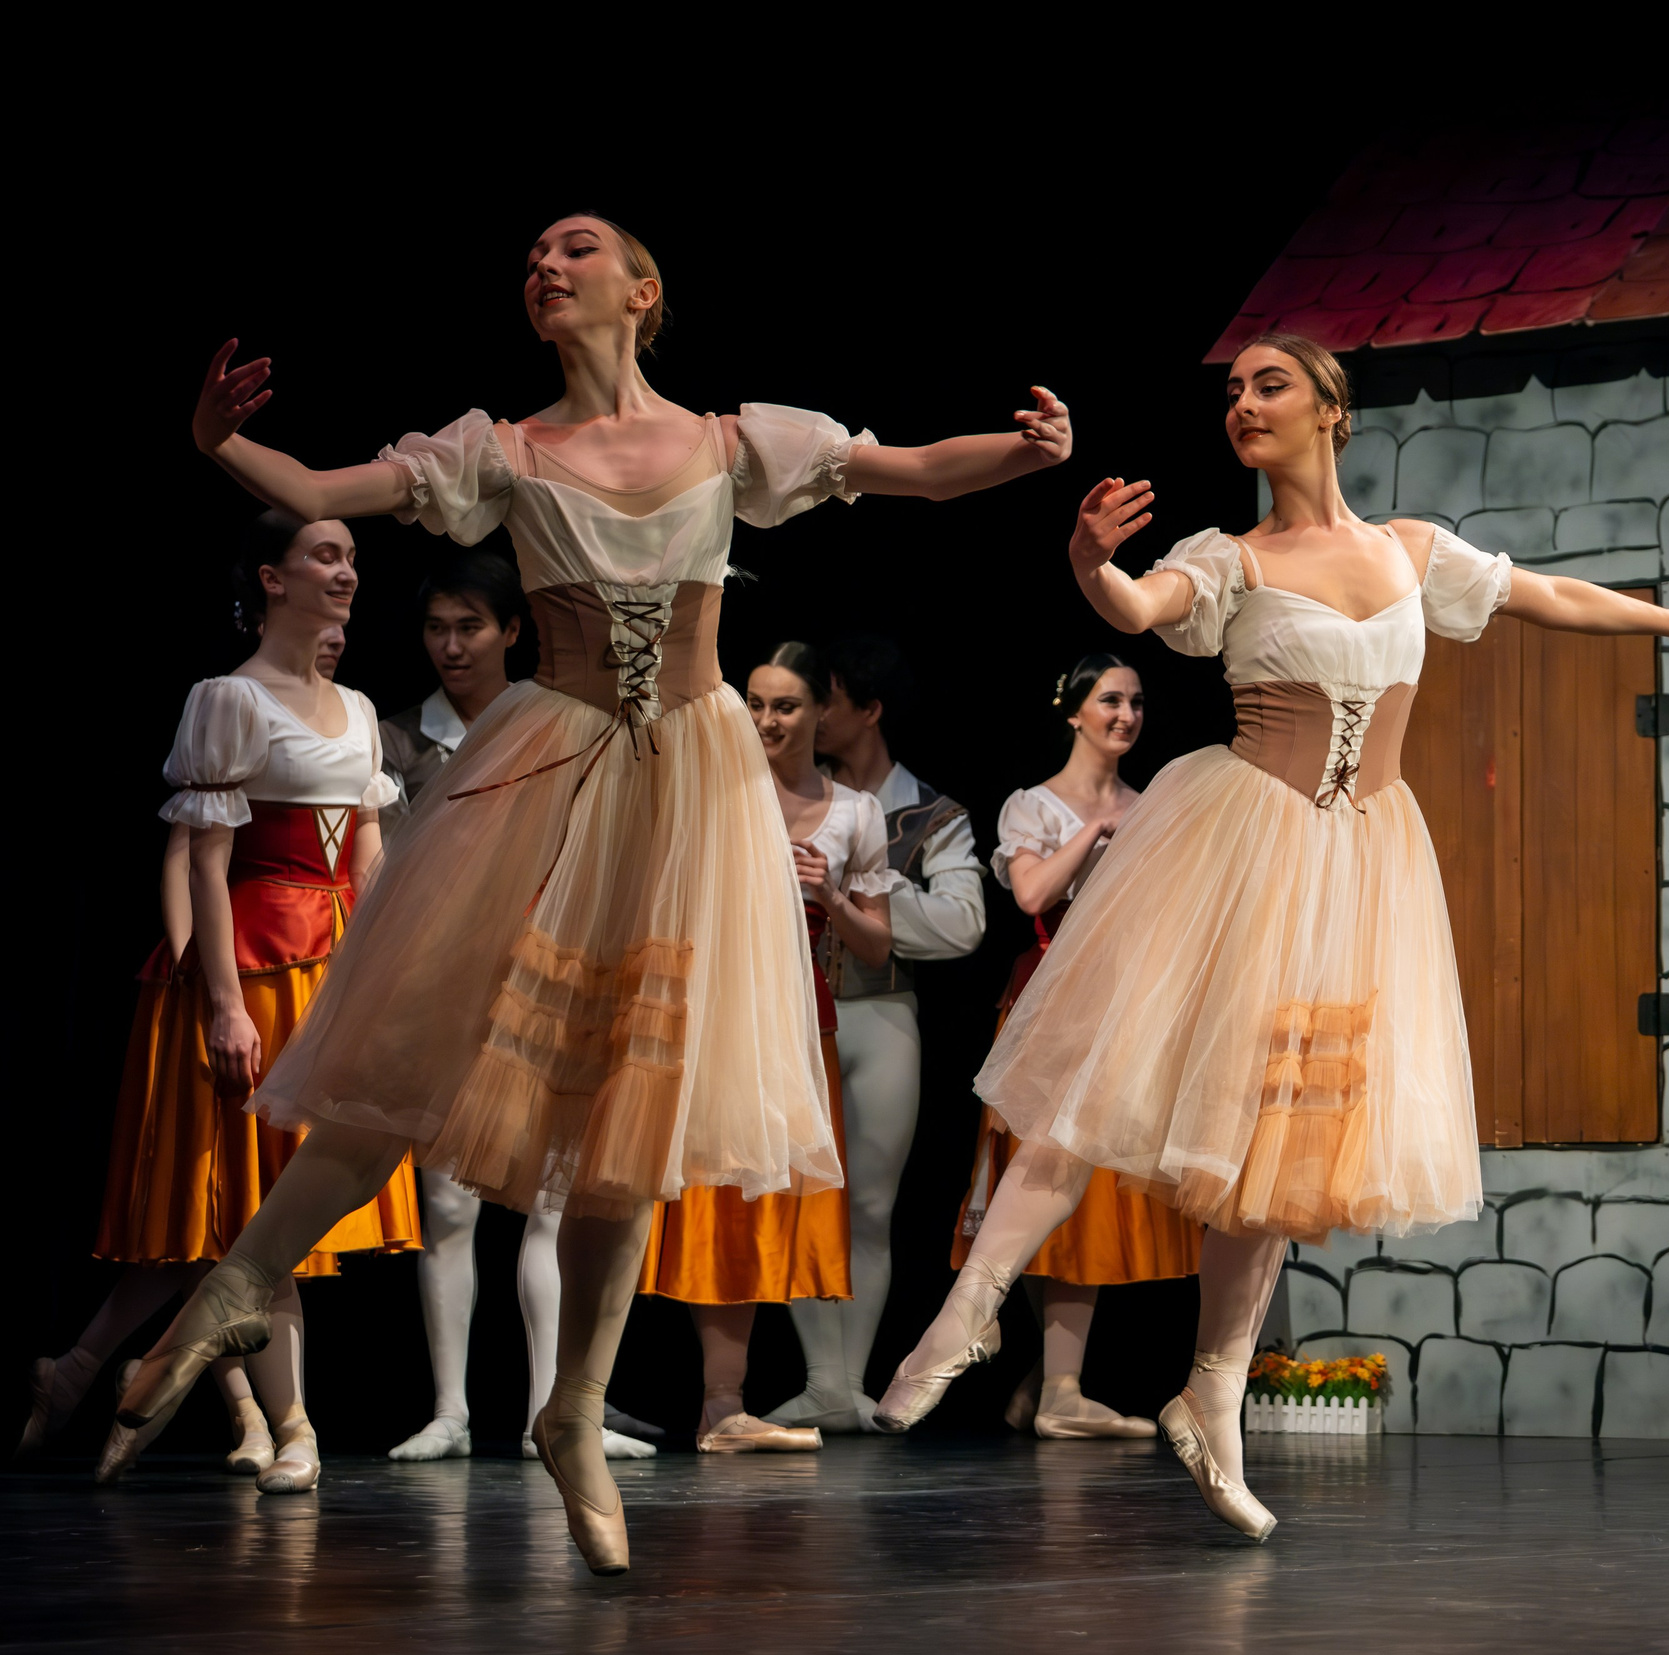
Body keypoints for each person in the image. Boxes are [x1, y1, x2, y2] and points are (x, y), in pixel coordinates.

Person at [120, 212, 1071, 1575]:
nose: (544, 265)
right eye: (531, 259)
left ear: (642, 287)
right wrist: (218, 443)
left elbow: (910, 470)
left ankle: (572, 1407)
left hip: (686, 789)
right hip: (553, 769)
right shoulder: (506, 451)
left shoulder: (733, 442)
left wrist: (1028, 453)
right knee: (423, 1048)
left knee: (639, 1106)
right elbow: (336, 483)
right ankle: (239, 1282)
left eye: (574, 249)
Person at [879, 332, 1669, 1538]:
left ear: (1331, 410)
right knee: (1099, 1077)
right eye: (1233, 392)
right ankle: (969, 1310)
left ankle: (1212, 1394)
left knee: (1287, 1144)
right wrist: (1091, 560)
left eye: (1269, 385)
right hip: (1243, 841)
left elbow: (1547, 595)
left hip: (1362, 864)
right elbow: (1143, 606)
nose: (1243, 404)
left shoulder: (1411, 551)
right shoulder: (1233, 557)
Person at [25, 512, 417, 1494]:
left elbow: (366, 852)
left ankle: (74, 1371)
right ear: (271, 576)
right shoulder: (230, 697)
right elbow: (203, 855)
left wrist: (378, 975)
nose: (346, 572)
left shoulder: (360, 707)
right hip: (249, 962)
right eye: (325, 554)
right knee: (241, 1206)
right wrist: (223, 1001)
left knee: (241, 1215)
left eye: (352, 558)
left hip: (325, 967)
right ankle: (291, 1424)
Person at [379, 551, 655, 1462]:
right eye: (436, 628)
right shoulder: (398, 741)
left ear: (511, 631)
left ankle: (553, 1411)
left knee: (550, 1202)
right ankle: (451, 1410)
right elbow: (383, 878)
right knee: (450, 1207)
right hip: (442, 988)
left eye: (470, 627)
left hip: (542, 982)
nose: (451, 647)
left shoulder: (557, 728)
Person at [635, 642, 894, 1452]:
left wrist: (827, 895)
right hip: (718, 1021)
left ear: (821, 713)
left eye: (785, 706)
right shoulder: (716, 793)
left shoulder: (855, 811)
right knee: (714, 1201)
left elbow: (878, 946)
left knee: (769, 1207)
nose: (767, 720)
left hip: (802, 1025)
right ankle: (714, 1403)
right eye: (754, 702)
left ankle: (727, 1405)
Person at [954, 653, 1200, 1440]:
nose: (1125, 714)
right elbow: (1029, 894)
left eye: (1134, 702)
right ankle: (1045, 1371)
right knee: (1036, 1181)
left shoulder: (1151, 803)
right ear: (1072, 712)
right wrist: (1096, 829)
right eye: (1108, 700)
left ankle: (1056, 1381)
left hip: (1121, 1006)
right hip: (1049, 1007)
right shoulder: (1037, 806)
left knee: (1089, 1198)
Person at [763, 636, 989, 1434]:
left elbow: (963, 924)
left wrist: (869, 891)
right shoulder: (776, 796)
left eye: (823, 701)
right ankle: (823, 1378)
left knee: (868, 1204)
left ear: (866, 710)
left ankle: (848, 1382)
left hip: (882, 1012)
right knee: (795, 1195)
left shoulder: (928, 814)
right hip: (793, 1015)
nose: (809, 716)